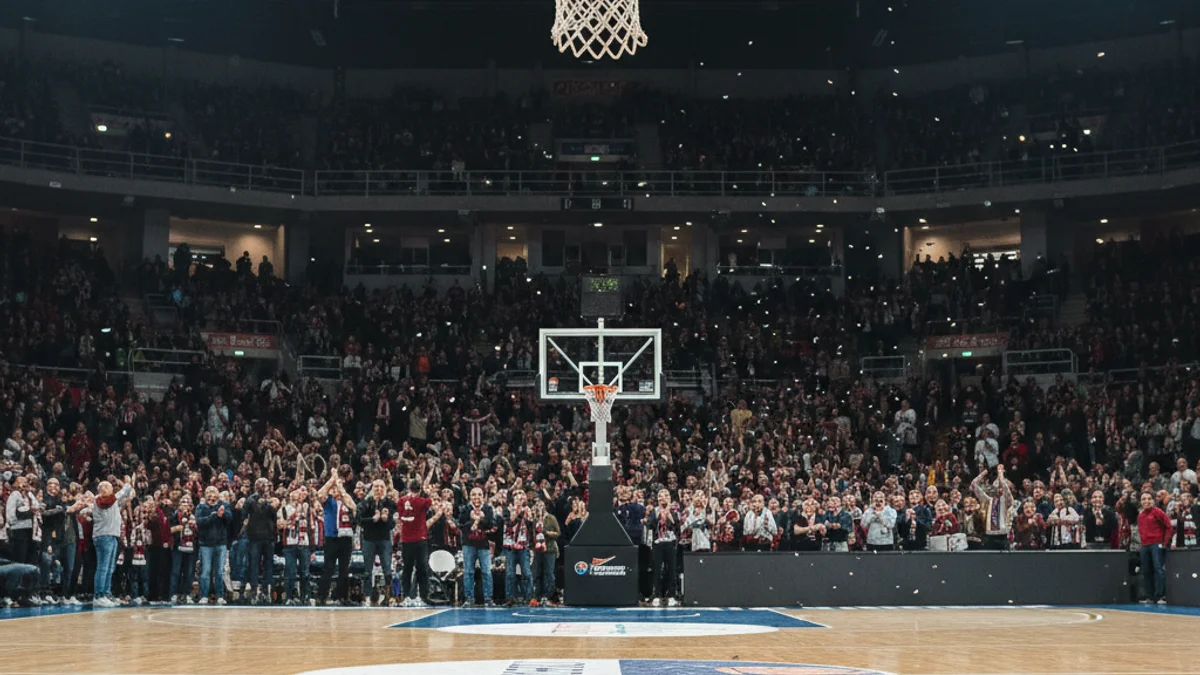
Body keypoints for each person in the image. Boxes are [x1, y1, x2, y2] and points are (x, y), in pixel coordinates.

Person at [92, 477, 135, 607]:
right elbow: (120, 494)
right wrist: (126, 485)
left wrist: (129, 485)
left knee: (110, 567)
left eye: (108, 487)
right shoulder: (99, 500)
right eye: (103, 487)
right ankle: (98, 595)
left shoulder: (112, 502)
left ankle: (106, 593)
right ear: (99, 490)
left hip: (113, 536)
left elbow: (129, 495)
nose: (106, 489)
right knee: (103, 567)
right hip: (103, 536)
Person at [317, 470, 357, 606]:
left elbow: (353, 506)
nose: (336, 491)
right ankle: (322, 597)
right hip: (331, 538)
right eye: (333, 490)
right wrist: (332, 479)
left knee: (344, 569)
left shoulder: (347, 500)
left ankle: (343, 598)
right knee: (328, 568)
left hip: (346, 538)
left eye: (337, 489)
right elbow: (320, 494)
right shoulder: (329, 502)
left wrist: (339, 486)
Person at [358, 479, 398, 607]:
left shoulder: (390, 503)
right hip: (368, 539)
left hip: (384, 539)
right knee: (367, 571)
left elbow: (393, 524)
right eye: (376, 487)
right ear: (372, 488)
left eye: (381, 487)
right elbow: (359, 521)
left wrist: (386, 520)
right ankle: (368, 597)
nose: (379, 489)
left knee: (387, 570)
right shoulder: (365, 502)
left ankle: (390, 596)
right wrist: (372, 519)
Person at [396, 479, 432, 607]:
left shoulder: (400, 501)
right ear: (420, 489)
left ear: (408, 488)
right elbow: (429, 501)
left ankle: (406, 596)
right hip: (420, 539)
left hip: (406, 539)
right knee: (422, 569)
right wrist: (426, 493)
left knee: (407, 569)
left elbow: (400, 514)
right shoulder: (423, 501)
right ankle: (422, 596)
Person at [458, 487, 496, 607]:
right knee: (468, 571)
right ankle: (469, 599)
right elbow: (461, 526)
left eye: (479, 494)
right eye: (474, 494)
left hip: (484, 545)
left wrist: (481, 519)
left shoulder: (488, 509)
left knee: (486, 572)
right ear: (470, 497)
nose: (477, 497)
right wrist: (472, 521)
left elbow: (491, 525)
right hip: (468, 544)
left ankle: (488, 598)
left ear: (483, 496)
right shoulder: (465, 509)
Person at [243, 478, 279, 604]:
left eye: (266, 485)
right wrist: (258, 498)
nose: (264, 487)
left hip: (268, 537)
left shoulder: (272, 500)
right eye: (260, 484)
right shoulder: (251, 499)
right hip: (254, 537)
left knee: (268, 565)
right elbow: (245, 510)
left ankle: (266, 591)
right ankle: (254, 591)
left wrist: (266, 503)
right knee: (254, 564)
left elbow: (274, 515)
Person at [194, 485, 230, 605]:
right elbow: (199, 522)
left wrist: (222, 514)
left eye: (213, 491)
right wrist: (214, 516)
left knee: (219, 571)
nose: (211, 494)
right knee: (205, 571)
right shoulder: (201, 507)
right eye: (208, 492)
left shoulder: (224, 505)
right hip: (206, 544)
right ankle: (204, 595)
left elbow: (230, 519)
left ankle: (220, 595)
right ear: (205, 495)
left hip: (221, 543)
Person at [645, 489, 679, 607]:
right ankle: (657, 595)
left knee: (671, 570)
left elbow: (676, 525)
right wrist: (659, 514)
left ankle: (671, 595)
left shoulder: (674, 511)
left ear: (669, 497)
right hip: (658, 543)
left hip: (670, 542)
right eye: (660, 496)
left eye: (665, 496)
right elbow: (649, 525)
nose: (662, 498)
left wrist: (668, 514)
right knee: (657, 570)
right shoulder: (654, 511)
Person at [1137, 492, 1172, 605]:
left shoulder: (1158, 512)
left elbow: (1168, 527)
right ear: (1141, 502)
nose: (1146, 501)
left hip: (1156, 544)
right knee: (1146, 570)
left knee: (1158, 569)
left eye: (1148, 499)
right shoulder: (1140, 515)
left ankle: (1161, 595)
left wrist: (1164, 543)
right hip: (1145, 545)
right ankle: (1150, 596)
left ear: (1153, 500)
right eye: (1143, 499)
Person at [501, 489, 533, 606]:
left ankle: (529, 597)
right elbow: (509, 523)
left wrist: (529, 518)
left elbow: (533, 527)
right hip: (510, 546)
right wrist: (518, 512)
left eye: (521, 495)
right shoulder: (507, 510)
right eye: (516, 495)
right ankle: (510, 598)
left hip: (523, 545)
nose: (519, 498)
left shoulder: (528, 510)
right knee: (510, 573)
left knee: (526, 573)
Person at [971, 465, 1014, 550]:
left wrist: (1001, 475)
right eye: (996, 487)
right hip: (989, 536)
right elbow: (973, 484)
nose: (998, 489)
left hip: (1002, 536)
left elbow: (1006, 491)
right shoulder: (988, 500)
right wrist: (984, 473)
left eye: (1000, 487)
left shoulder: (1008, 501)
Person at [530, 497, 560, 606]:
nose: (539, 508)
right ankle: (537, 596)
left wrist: (546, 533)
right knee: (537, 573)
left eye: (541, 505)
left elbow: (557, 533)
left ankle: (549, 596)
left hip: (550, 549)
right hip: (537, 549)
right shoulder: (534, 519)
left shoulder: (551, 518)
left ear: (545, 506)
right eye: (537, 506)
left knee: (549, 573)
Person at [168, 495, 198, 603]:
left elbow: (199, 533)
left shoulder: (195, 517)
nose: (185, 504)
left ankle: (186, 594)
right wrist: (176, 528)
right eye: (183, 502)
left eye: (188, 502)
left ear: (191, 506)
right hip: (178, 547)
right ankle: (173, 594)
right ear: (179, 505)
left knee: (189, 572)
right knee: (176, 571)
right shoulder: (174, 516)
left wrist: (194, 526)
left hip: (191, 548)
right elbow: (168, 530)